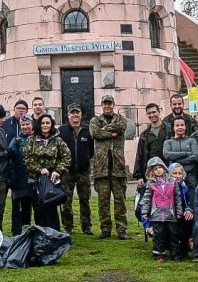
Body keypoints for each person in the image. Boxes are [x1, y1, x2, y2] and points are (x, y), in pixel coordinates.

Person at [23, 114, 72, 231]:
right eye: (43, 123)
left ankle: (54, 234)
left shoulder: (58, 140)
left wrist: (58, 170)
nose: (45, 125)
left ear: (51, 125)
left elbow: (67, 157)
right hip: (36, 180)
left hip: (52, 181)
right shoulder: (32, 140)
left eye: (47, 123)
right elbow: (26, 158)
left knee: (52, 209)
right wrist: (39, 169)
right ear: (39, 125)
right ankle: (41, 234)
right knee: (39, 208)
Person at [90, 94, 129, 239]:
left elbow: (121, 127)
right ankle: (105, 229)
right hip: (101, 168)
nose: (107, 106)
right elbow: (95, 133)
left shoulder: (121, 119)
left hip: (118, 167)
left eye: (110, 103)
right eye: (105, 103)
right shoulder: (95, 120)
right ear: (101, 105)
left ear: (113, 105)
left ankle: (122, 229)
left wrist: (105, 129)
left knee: (120, 201)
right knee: (103, 202)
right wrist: (111, 133)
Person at [58, 103, 94, 235]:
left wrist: (84, 160)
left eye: (77, 112)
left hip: (83, 171)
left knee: (85, 199)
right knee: (66, 200)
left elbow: (91, 150)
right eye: (72, 113)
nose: (75, 115)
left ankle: (86, 226)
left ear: (81, 115)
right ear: (68, 115)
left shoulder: (87, 130)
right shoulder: (61, 131)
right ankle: (68, 227)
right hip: (67, 171)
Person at [139, 157, 182, 262]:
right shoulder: (151, 183)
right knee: (158, 236)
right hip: (156, 214)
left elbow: (177, 197)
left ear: (164, 168)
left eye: (160, 167)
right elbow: (147, 198)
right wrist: (144, 212)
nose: (158, 170)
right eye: (155, 169)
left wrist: (179, 211)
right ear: (151, 171)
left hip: (170, 214)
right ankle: (159, 255)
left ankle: (176, 255)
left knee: (173, 235)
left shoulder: (172, 181)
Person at [162, 117, 198, 203]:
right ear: (173, 128)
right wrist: (186, 153)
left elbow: (195, 156)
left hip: (191, 177)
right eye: (177, 125)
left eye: (182, 125)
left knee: (191, 202)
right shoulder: (168, 142)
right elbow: (167, 155)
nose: (180, 127)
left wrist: (178, 162)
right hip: (174, 178)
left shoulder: (191, 141)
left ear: (185, 127)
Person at [7, 114, 34, 235]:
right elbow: (10, 160)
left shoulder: (36, 139)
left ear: (32, 125)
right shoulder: (16, 141)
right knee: (17, 209)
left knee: (29, 208)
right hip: (19, 180)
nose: (25, 127)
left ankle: (27, 230)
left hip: (33, 179)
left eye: (27, 124)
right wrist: (12, 179)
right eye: (23, 124)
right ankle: (16, 232)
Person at [133, 103, 168, 188]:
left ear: (159, 112)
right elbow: (139, 155)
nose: (152, 115)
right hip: (151, 172)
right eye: (149, 113)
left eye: (154, 112)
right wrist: (139, 176)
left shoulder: (169, 130)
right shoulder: (144, 135)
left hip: (167, 169)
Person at [168, 163, 194, 261]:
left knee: (189, 218)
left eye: (180, 173)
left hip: (180, 213)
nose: (178, 176)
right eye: (175, 173)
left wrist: (188, 210)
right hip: (169, 213)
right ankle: (174, 250)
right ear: (170, 174)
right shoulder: (167, 186)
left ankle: (184, 248)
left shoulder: (184, 187)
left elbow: (187, 201)